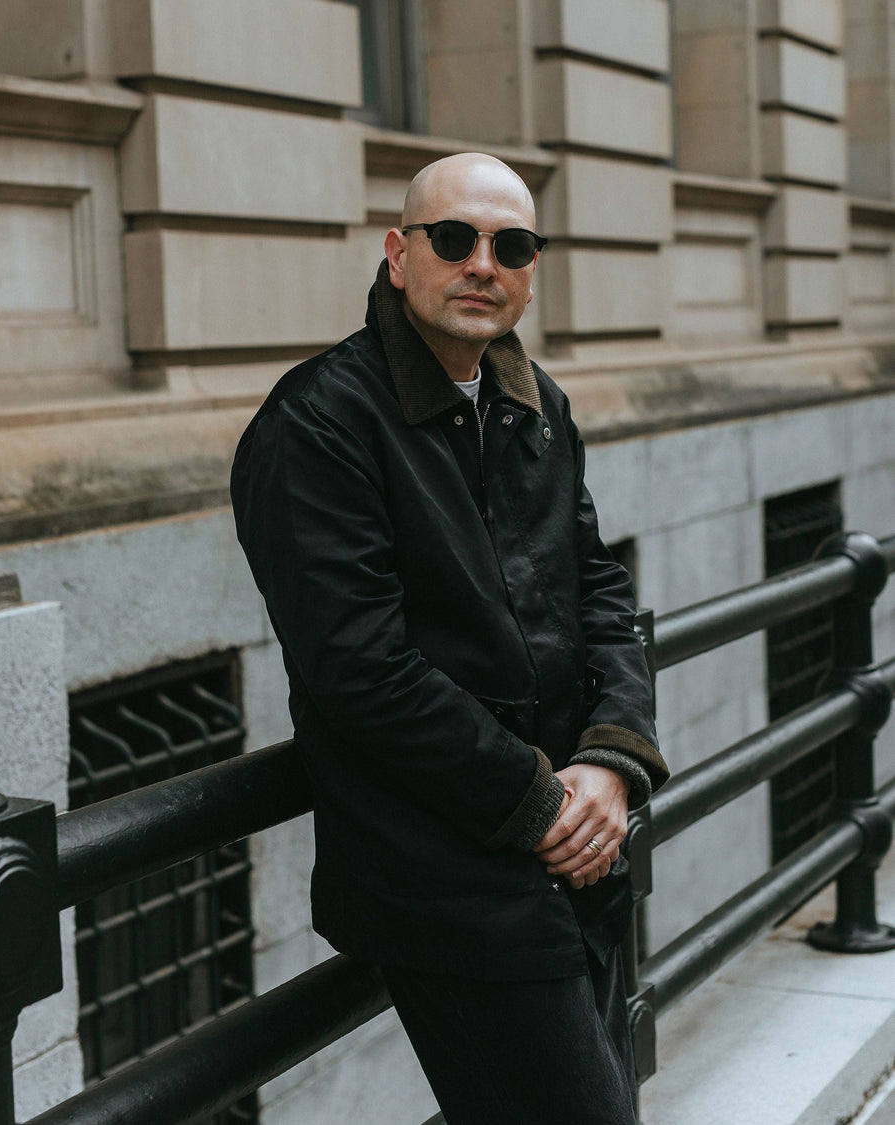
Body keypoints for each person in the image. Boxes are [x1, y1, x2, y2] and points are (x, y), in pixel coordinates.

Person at [230, 152, 669, 1125]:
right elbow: (360, 671)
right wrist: (546, 802)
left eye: (511, 246)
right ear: (399, 255)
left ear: (531, 271)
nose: (482, 264)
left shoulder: (535, 403)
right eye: (454, 238)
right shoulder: (319, 421)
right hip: (450, 880)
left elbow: (598, 590)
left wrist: (612, 760)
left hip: (577, 860)